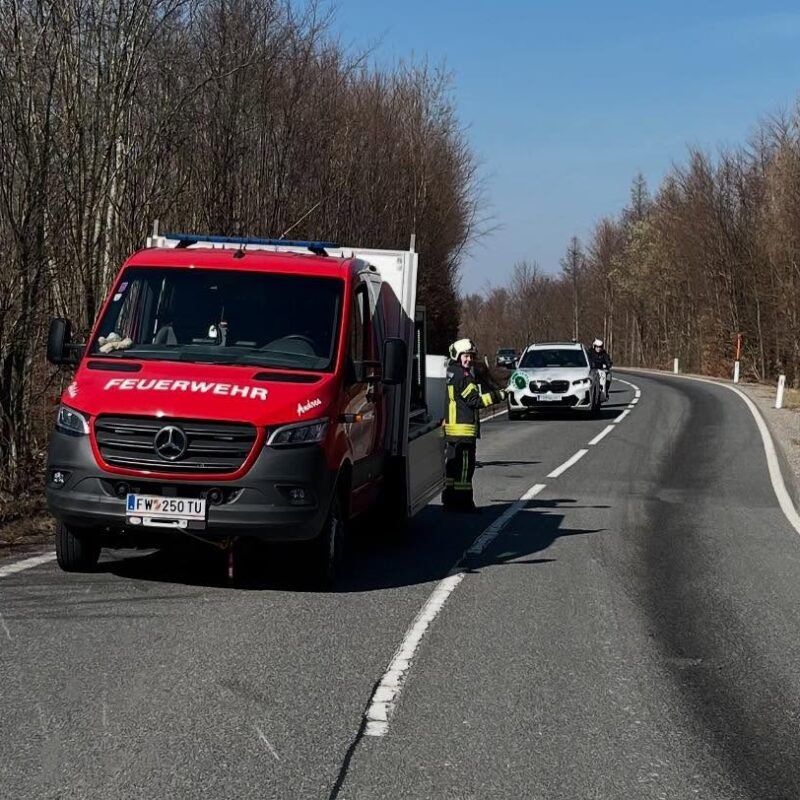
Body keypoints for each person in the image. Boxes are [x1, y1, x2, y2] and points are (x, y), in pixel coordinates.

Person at [442, 338, 506, 513]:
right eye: (465, 356)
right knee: (464, 470)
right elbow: (475, 401)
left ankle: (449, 501)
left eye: (470, 356)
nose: (468, 359)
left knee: (451, 468)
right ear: (457, 355)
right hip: (464, 432)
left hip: (452, 431)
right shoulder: (464, 377)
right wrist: (500, 395)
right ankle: (464, 504)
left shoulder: (451, 372)